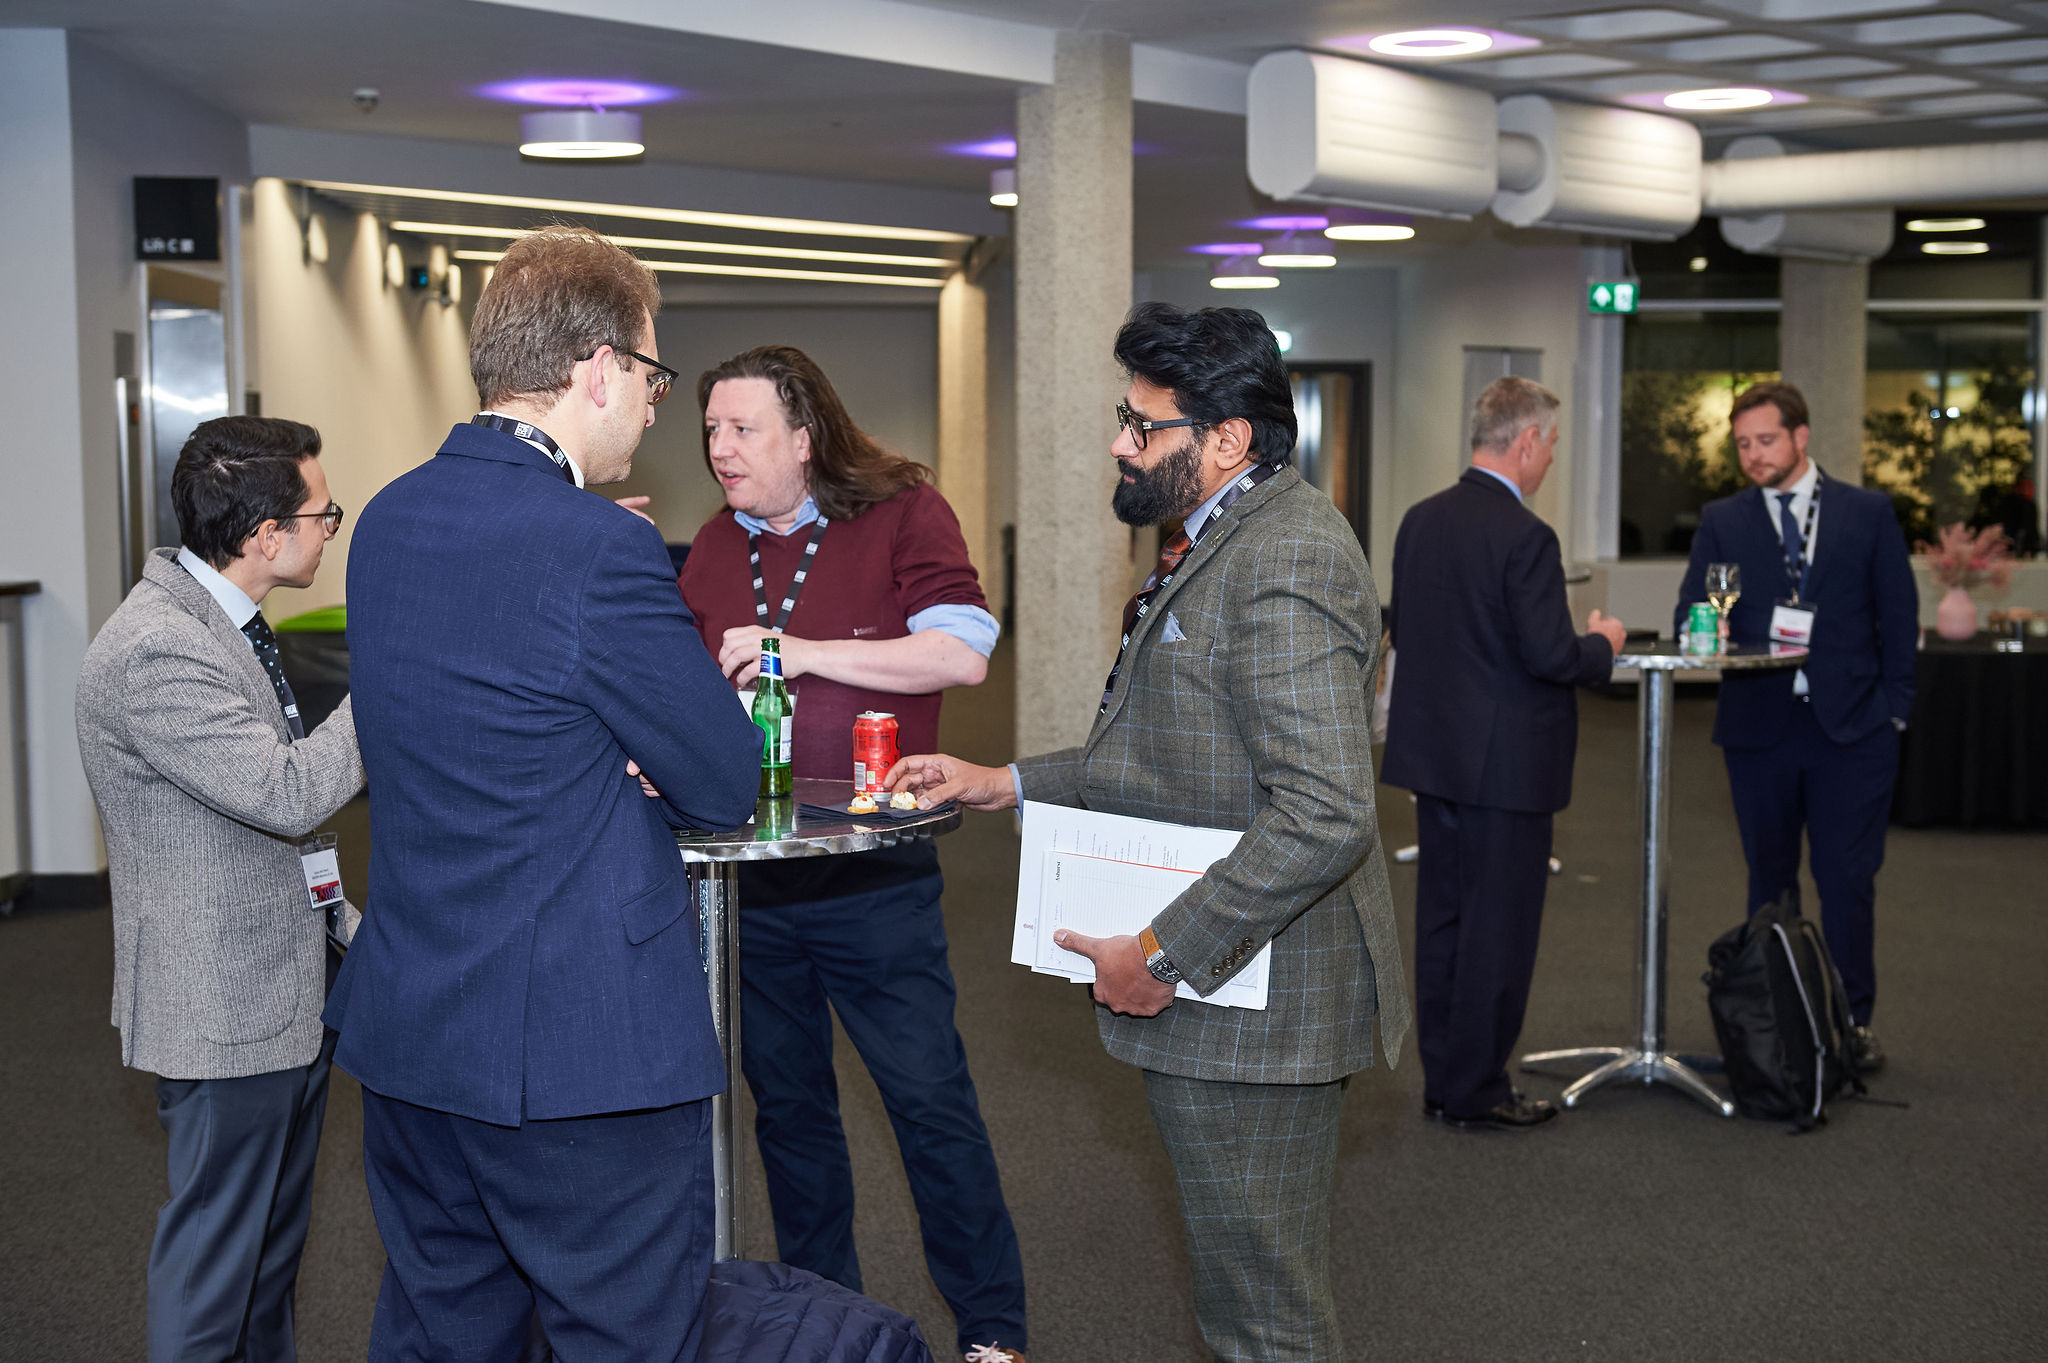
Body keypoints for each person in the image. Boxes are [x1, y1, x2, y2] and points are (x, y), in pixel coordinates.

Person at [890, 302, 1408, 1363]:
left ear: (1226, 440)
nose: (1120, 443)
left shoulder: (1285, 557)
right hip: (1238, 990)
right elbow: (1170, 754)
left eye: (1142, 424)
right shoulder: (1224, 536)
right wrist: (1004, 782)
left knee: (1263, 1317)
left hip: (1261, 1008)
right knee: (1242, 1296)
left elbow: (1325, 810)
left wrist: (1163, 954)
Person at [325, 226, 761, 1361]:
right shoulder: (599, 547)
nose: (655, 409)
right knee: (623, 1333)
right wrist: (629, 747)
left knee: (444, 1332)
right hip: (578, 1050)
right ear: (600, 369)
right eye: (654, 378)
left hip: (413, 1026)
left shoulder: (386, 518)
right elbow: (722, 777)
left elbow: (476, 726)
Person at [677, 345, 1027, 1363]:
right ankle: (827, 1322)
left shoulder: (903, 512)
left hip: (872, 869)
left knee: (928, 1103)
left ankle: (993, 1331)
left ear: (804, 436)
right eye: (711, 429)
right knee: (790, 1116)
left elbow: (962, 651)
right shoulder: (713, 547)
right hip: (751, 874)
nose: (720, 448)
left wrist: (797, 653)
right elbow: (689, 691)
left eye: (743, 429)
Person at [75, 415, 363, 1362]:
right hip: (224, 1005)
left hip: (282, 985)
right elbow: (287, 794)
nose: (331, 529)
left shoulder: (224, 622)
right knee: (213, 1275)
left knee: (266, 1265)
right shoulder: (157, 648)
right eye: (323, 515)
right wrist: (388, 683)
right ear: (265, 535)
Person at [1381, 377, 1625, 1132]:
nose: (1549, 459)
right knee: (1500, 931)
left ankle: (1444, 1080)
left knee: (1444, 924)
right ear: (1526, 441)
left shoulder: (1420, 520)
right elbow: (1553, 655)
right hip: (1508, 770)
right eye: (1551, 445)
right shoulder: (1527, 537)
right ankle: (1479, 1089)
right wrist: (1604, 644)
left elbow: (1412, 631)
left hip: (1436, 759)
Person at [1676, 380, 1917, 1072]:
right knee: (1770, 883)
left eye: (1766, 440)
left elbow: (1899, 615)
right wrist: (1707, 626)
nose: (1753, 455)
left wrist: (1895, 711)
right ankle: (1782, 1026)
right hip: (1761, 729)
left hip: (1854, 729)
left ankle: (1850, 1024)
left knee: (1847, 882)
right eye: (1743, 444)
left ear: (1801, 436)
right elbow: (1693, 609)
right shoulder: (1724, 520)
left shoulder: (1866, 513)